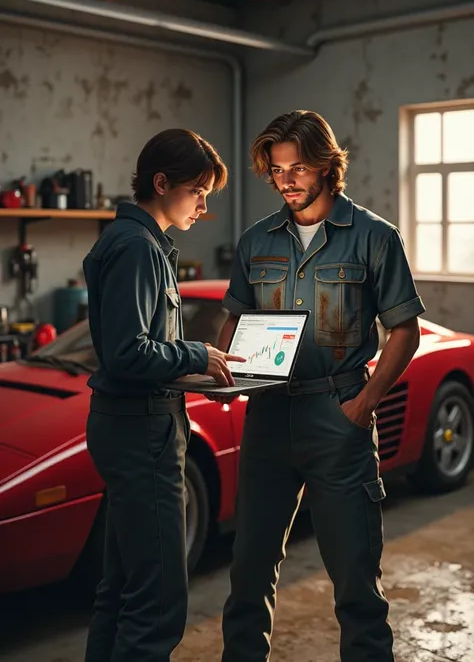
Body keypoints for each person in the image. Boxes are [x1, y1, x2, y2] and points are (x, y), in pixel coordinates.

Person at [215, 110, 425, 662]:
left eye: (299, 166)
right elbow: (233, 322)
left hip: (339, 418)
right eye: (277, 169)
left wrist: (362, 406)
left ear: (328, 167)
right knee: (248, 577)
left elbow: (404, 331)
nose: (287, 179)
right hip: (266, 422)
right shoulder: (255, 240)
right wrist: (229, 367)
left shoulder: (375, 237)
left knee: (356, 585)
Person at [82, 128, 245, 662]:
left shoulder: (133, 242)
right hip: (142, 432)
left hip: (129, 421)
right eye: (197, 191)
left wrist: (193, 375)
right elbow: (129, 354)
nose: (203, 205)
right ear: (161, 183)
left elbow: (138, 354)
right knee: (156, 604)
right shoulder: (138, 248)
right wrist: (198, 356)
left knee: (121, 588)